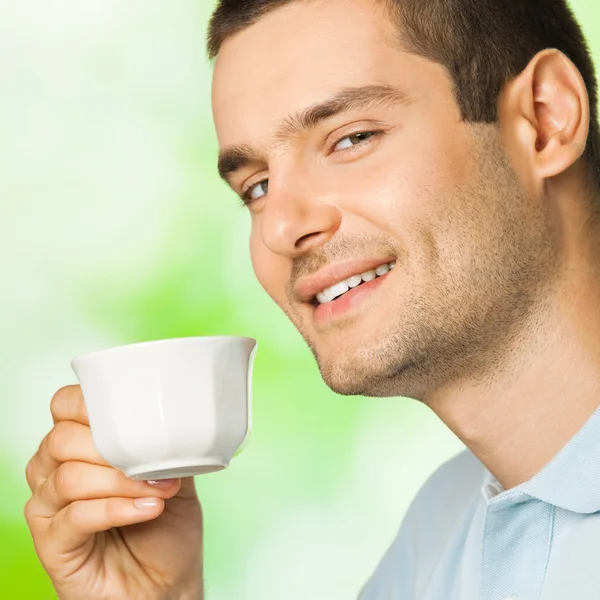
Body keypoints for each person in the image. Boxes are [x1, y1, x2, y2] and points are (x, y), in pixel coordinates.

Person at [24, 0, 600, 598]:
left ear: (545, 118)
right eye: (258, 186)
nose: (279, 228)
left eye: (351, 139)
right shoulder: (437, 539)